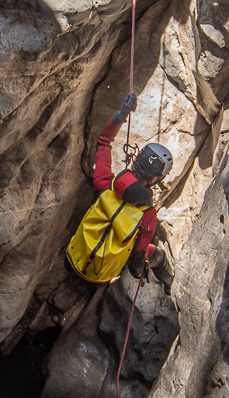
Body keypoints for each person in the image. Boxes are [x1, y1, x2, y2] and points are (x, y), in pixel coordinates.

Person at [66, 92, 175, 289]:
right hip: (100, 277)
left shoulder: (105, 183)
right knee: (156, 255)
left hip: (73, 257)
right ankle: (169, 284)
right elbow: (136, 266)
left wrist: (122, 113)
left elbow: (104, 141)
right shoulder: (147, 215)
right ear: (155, 179)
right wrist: (142, 269)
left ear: (135, 160)